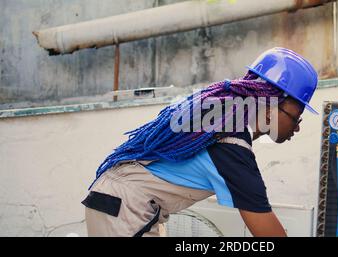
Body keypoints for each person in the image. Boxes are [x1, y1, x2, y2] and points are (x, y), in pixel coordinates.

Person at [82, 47, 318, 237]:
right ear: (270, 109)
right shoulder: (229, 145)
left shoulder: (222, 123)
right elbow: (265, 228)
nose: (297, 126)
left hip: (124, 204)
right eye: (296, 116)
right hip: (126, 209)